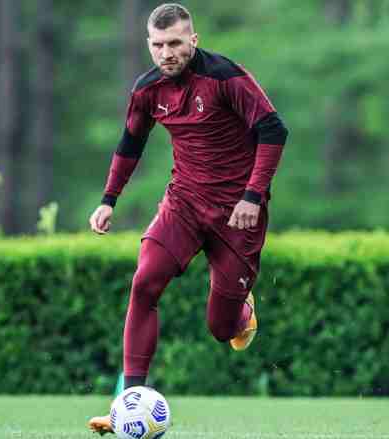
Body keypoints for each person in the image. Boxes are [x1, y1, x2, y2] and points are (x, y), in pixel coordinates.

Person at [87, 3, 287, 434]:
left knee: (220, 328)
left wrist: (253, 196)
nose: (167, 52)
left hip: (238, 214)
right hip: (183, 203)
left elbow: (274, 130)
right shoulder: (146, 90)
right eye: (158, 45)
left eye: (175, 43)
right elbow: (129, 145)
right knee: (144, 282)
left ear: (192, 40)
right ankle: (126, 402)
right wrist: (109, 200)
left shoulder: (225, 77)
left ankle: (242, 312)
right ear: (148, 45)